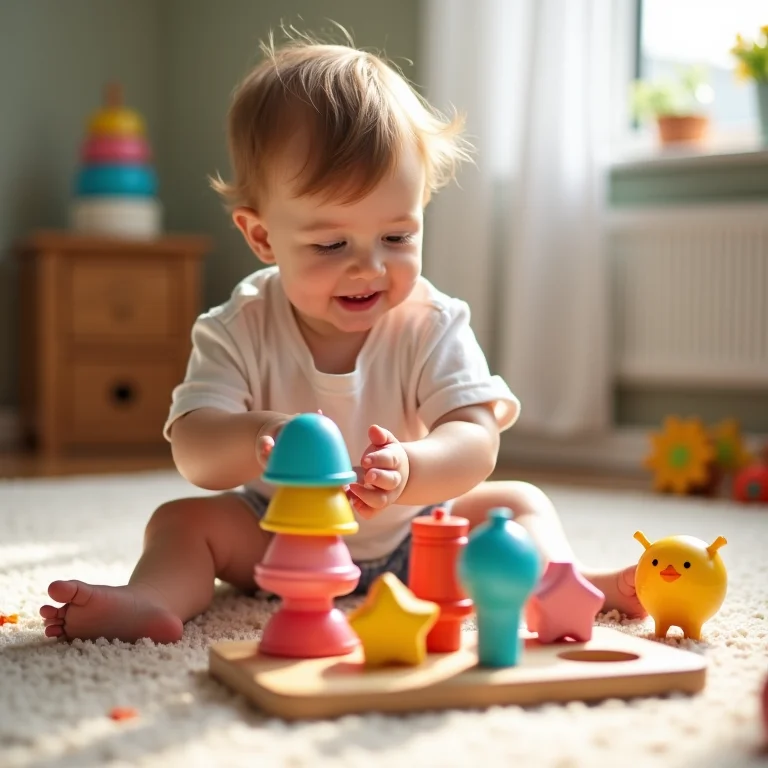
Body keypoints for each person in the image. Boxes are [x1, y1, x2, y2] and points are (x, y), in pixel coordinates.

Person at [40, 33, 644, 643]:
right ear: (262, 238)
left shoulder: (430, 321)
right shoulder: (238, 325)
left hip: (419, 539)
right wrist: (258, 438)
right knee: (180, 522)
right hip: (278, 539)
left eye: (398, 237)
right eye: (332, 245)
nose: (370, 268)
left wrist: (410, 467)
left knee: (518, 503)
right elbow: (193, 448)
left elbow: (474, 440)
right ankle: (149, 600)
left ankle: (562, 584)